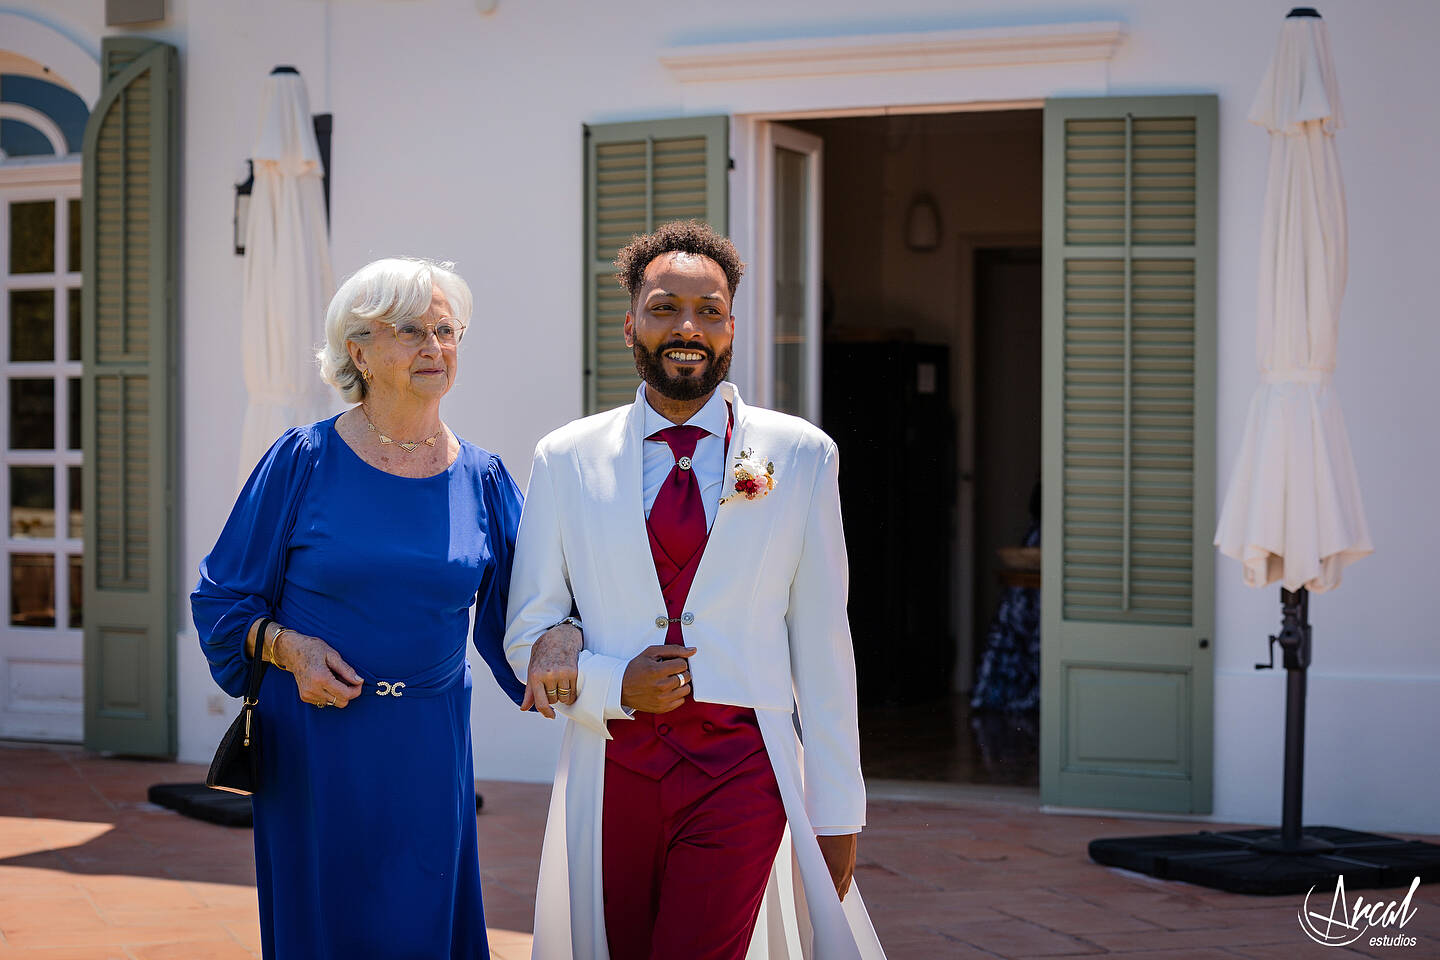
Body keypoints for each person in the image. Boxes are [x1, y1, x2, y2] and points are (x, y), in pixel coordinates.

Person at [505, 221, 886, 960]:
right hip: (611, 766)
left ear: (733, 328)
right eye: (664, 307)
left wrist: (837, 810)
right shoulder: (565, 458)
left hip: (743, 770)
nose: (688, 327)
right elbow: (529, 636)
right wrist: (617, 684)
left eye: (709, 310)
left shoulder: (799, 455)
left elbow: (822, 643)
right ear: (630, 324)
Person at [192, 257, 525, 959]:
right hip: (315, 739)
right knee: (327, 926)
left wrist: (591, 670)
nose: (434, 347)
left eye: (446, 329)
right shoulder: (302, 460)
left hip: (429, 743)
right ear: (358, 352)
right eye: (409, 330)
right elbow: (221, 597)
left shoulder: (485, 477)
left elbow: (525, 618)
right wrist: (289, 649)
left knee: (422, 917)